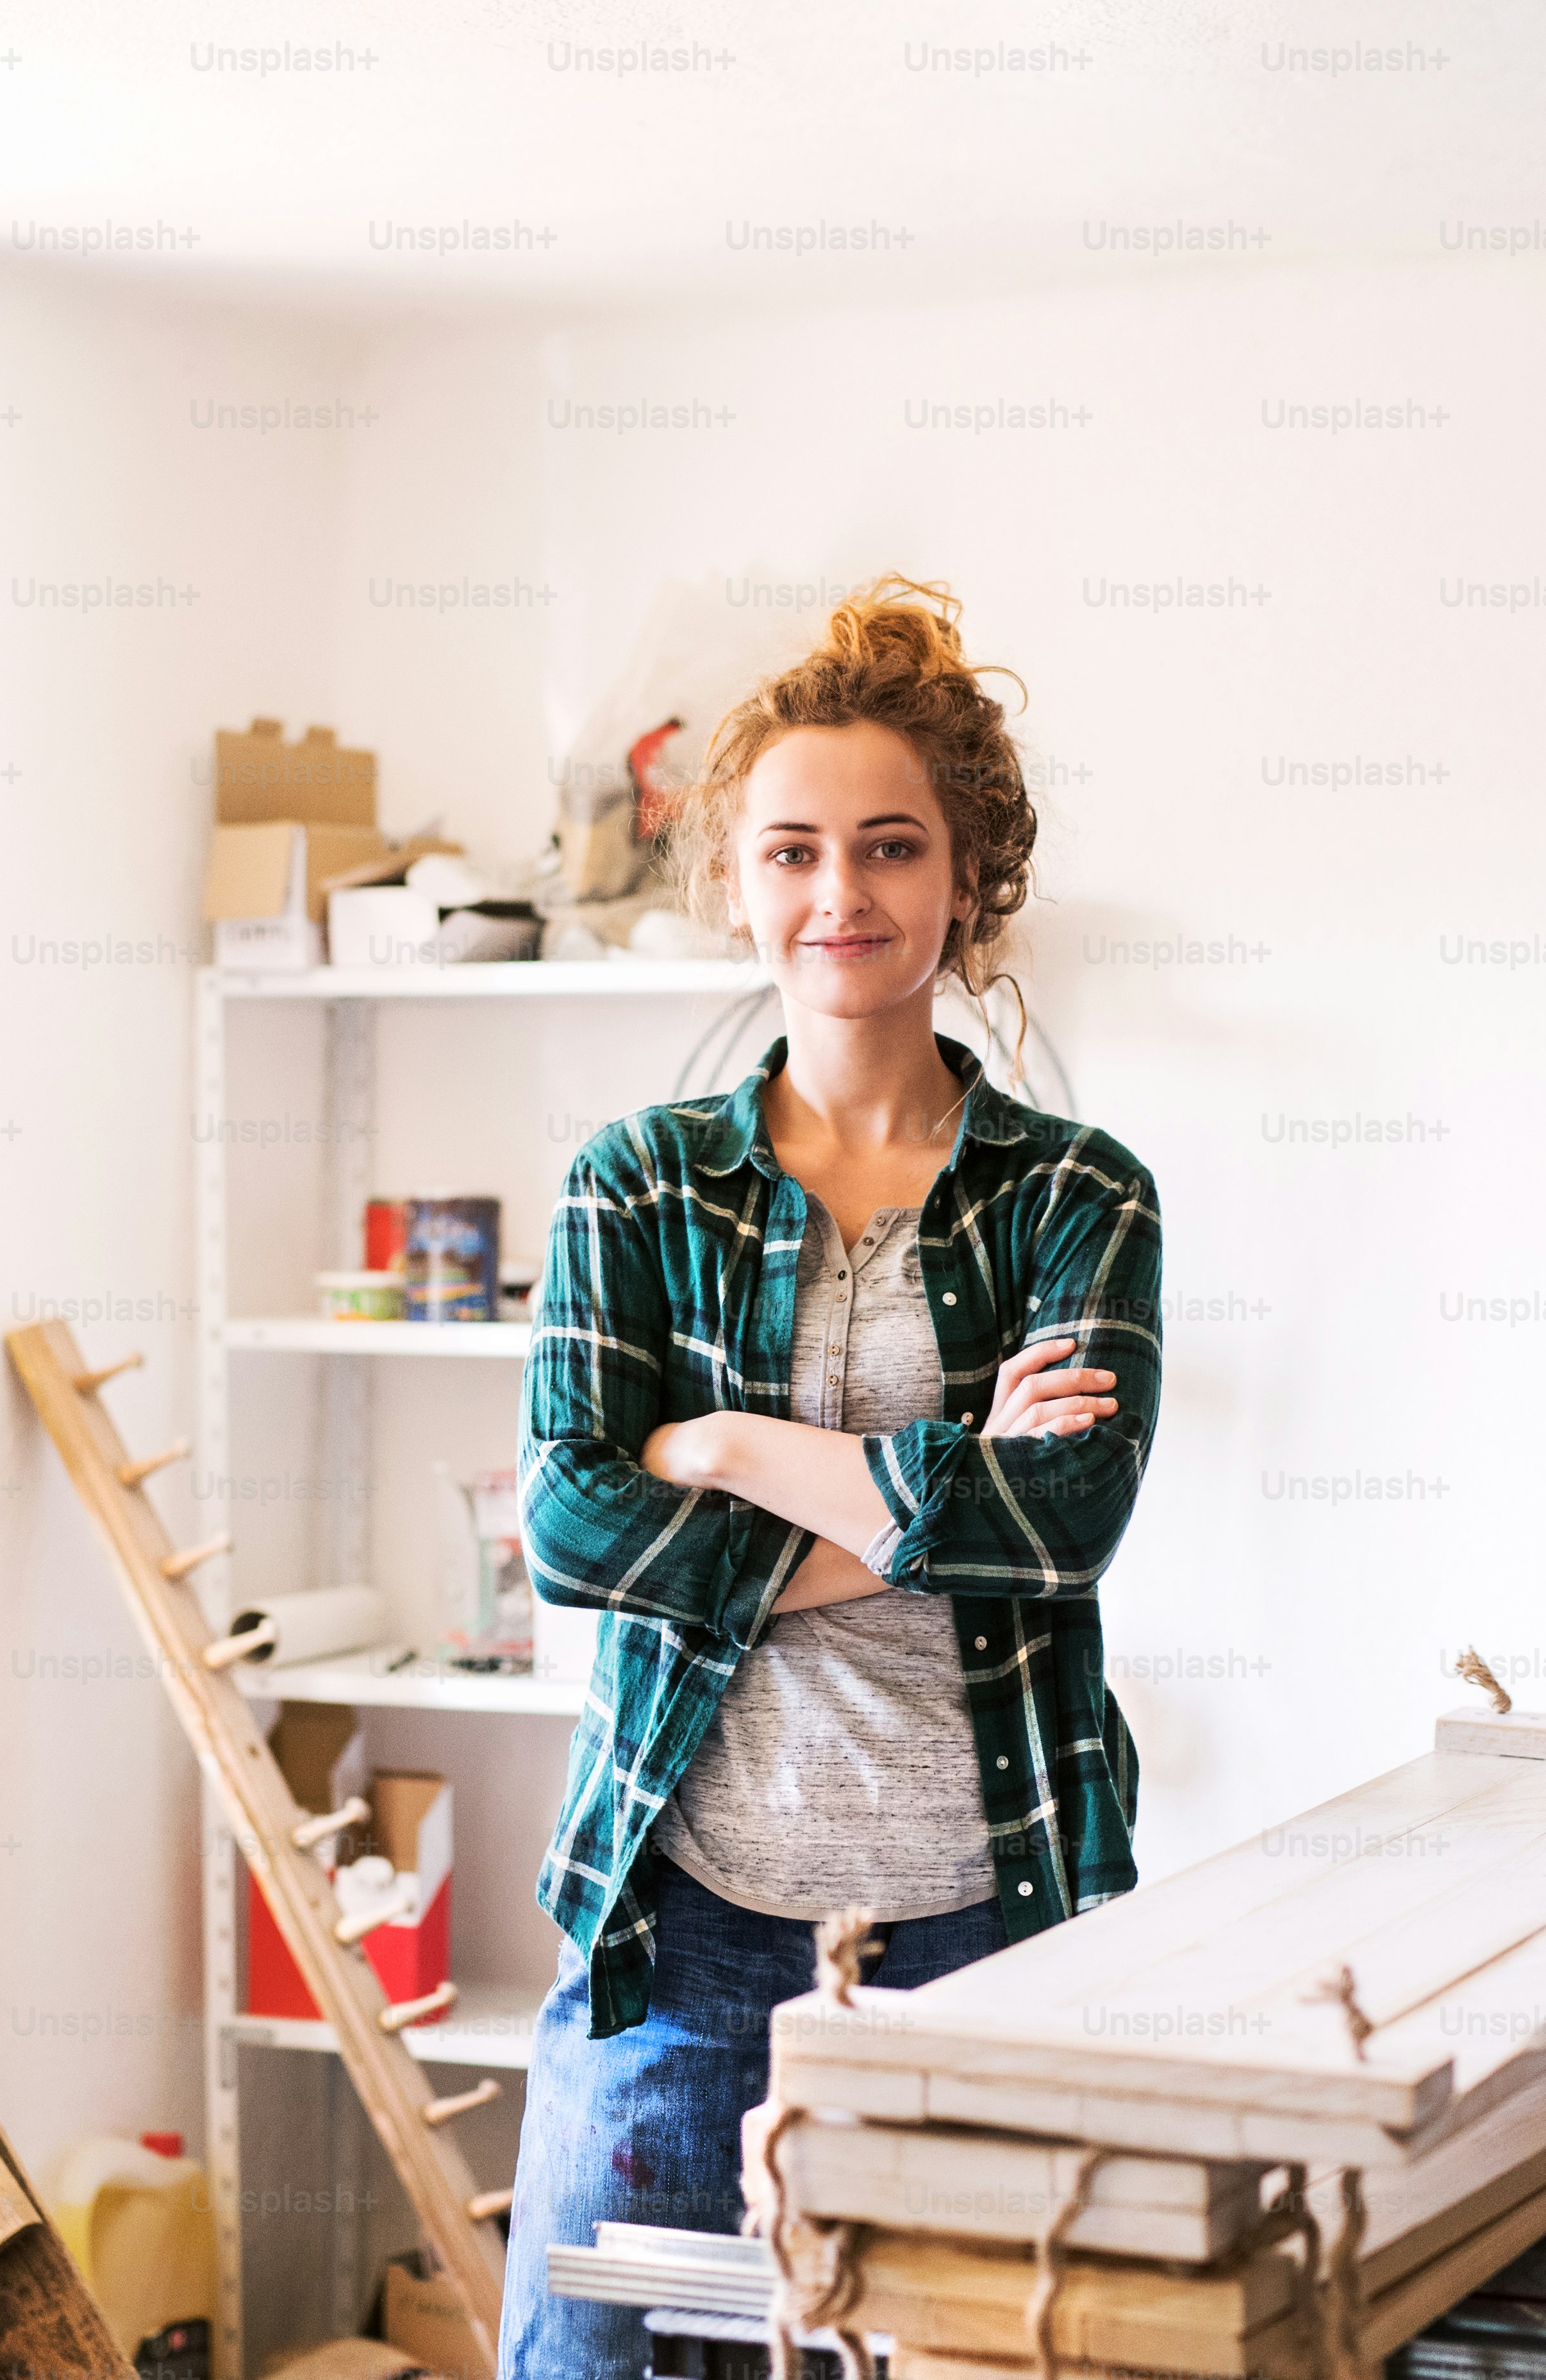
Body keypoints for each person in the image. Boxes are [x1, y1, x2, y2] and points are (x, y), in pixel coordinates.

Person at [499, 576, 1163, 2376]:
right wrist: (940, 1500)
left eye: (889, 847)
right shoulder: (633, 1185)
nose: (839, 894)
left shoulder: (1075, 1197)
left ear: (966, 879)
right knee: (592, 2359)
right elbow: (567, 1524)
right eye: (793, 850)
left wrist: (724, 1448)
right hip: (685, 1916)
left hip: (988, 1917)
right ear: (737, 880)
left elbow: (1070, 1521)